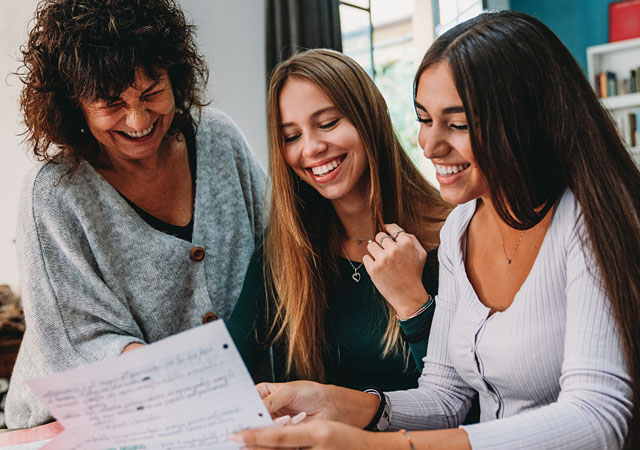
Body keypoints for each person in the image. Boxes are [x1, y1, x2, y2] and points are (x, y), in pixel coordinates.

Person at [231, 11, 640, 450]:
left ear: (525, 119)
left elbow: (597, 419)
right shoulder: (462, 227)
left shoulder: (587, 223)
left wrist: (377, 445)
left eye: (457, 123)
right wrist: (339, 403)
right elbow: (446, 396)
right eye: (424, 119)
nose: (427, 145)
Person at [5, 0, 266, 429]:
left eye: (151, 93)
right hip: (75, 425)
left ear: (174, 76)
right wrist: (199, 392)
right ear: (75, 106)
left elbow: (273, 253)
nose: (139, 119)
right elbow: (80, 343)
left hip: (224, 412)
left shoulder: (218, 138)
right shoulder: (52, 194)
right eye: (111, 103)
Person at [227, 49, 453, 394]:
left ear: (369, 118)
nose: (311, 148)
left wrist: (415, 304)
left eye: (328, 123)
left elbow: (468, 399)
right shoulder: (284, 248)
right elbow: (228, 371)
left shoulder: (451, 235)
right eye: (291, 136)